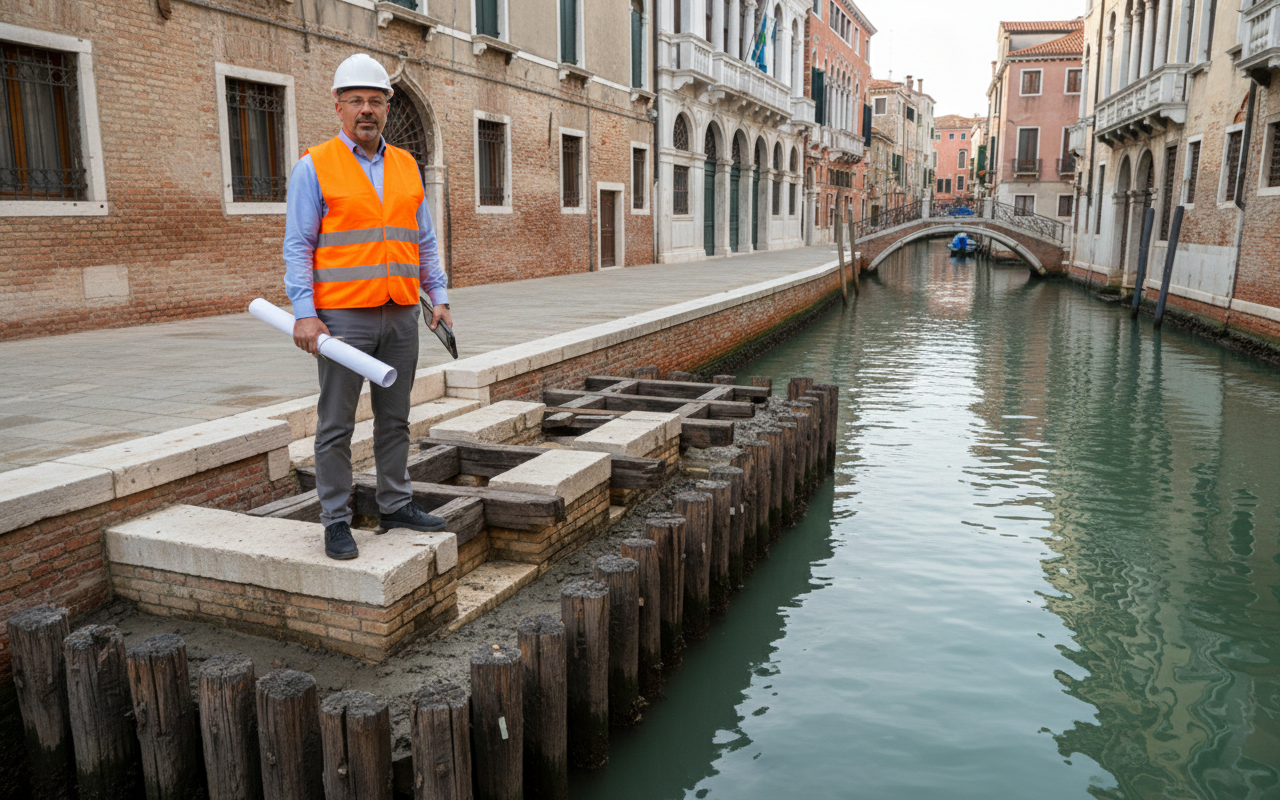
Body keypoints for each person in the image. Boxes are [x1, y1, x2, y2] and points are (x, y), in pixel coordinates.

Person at [283, 53, 453, 560]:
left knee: (395, 418)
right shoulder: (314, 166)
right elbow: (298, 245)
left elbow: (424, 241)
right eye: (356, 100)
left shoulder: (406, 166)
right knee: (336, 426)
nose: (366, 110)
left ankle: (394, 504)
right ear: (338, 107)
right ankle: (336, 520)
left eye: (375, 101)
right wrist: (304, 312)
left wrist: (439, 296)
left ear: (387, 108)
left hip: (401, 313)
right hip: (342, 320)